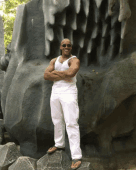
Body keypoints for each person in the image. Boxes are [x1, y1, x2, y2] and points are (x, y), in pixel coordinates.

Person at [44, 38, 82, 169]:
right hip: (55, 92)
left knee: (71, 122)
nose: (66, 47)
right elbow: (46, 75)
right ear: (60, 46)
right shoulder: (54, 60)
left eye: (69, 45)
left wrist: (54, 73)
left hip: (69, 93)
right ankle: (59, 143)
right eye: (64, 45)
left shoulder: (74, 60)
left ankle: (76, 156)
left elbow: (71, 73)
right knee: (56, 119)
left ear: (71, 47)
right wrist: (63, 75)